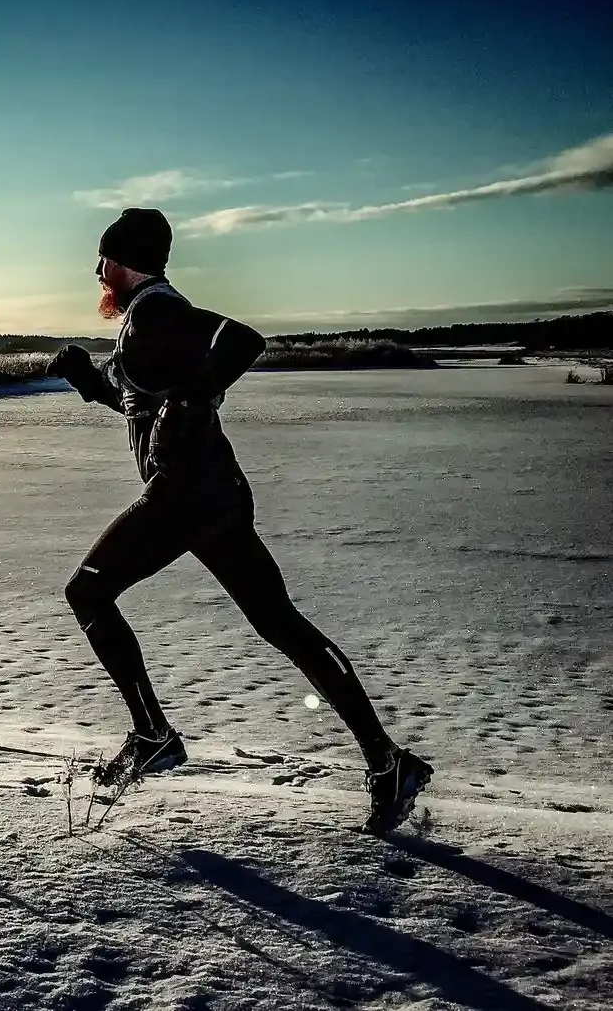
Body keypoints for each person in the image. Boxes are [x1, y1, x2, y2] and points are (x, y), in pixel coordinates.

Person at [47, 207, 431, 835]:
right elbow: (140, 399)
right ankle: (386, 761)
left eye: (103, 261)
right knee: (281, 623)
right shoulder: (147, 324)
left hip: (184, 496)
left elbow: (242, 340)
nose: (97, 273)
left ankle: (153, 735)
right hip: (216, 496)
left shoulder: (157, 310)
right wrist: (89, 381)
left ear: (125, 262)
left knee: (87, 591)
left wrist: (193, 399)